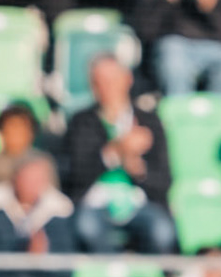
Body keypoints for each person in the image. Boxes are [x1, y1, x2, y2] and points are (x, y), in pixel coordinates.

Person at [62, 56, 178, 254]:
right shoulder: (81, 122)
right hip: (95, 203)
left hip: (141, 204)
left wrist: (138, 169)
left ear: (127, 79)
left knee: (162, 231)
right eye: (99, 81)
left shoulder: (149, 122)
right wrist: (115, 151)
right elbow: (75, 176)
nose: (106, 87)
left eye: (111, 80)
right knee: (87, 228)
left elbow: (164, 180)